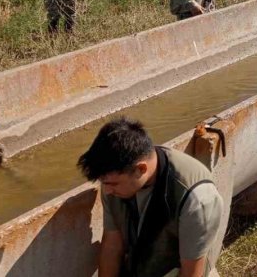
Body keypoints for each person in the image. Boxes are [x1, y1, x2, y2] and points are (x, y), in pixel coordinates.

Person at [77, 117, 224, 277]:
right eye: (103, 183)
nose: (106, 191)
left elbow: (191, 271)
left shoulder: (197, 198)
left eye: (112, 184)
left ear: (141, 169)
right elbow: (112, 246)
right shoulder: (114, 181)